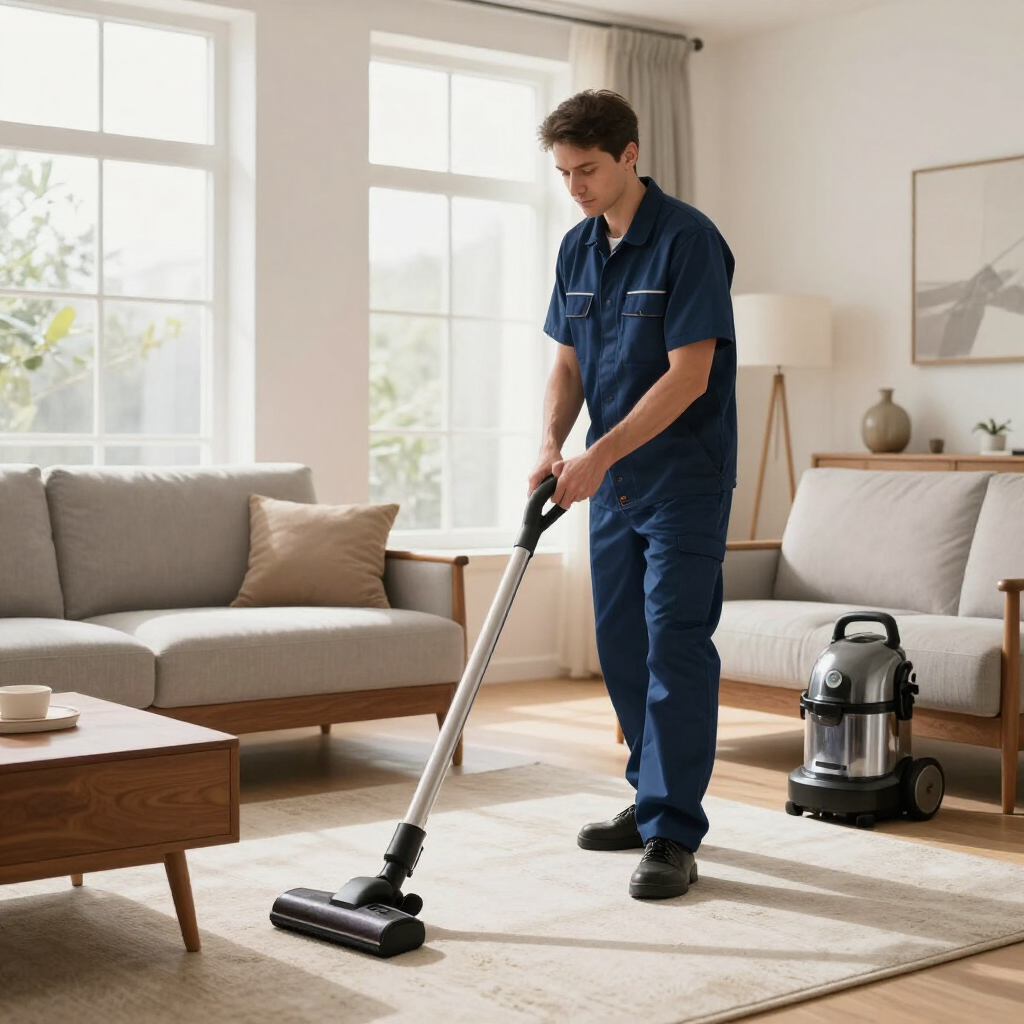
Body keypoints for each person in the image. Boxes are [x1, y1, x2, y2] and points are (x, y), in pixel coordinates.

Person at [530, 90, 737, 900]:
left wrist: (598, 454)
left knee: (674, 645)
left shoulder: (689, 241)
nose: (575, 186)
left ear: (630, 155)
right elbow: (569, 365)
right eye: (563, 173)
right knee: (621, 645)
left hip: (681, 479)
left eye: (587, 170)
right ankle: (646, 797)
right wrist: (553, 442)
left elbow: (690, 378)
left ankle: (673, 831)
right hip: (609, 484)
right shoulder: (577, 248)